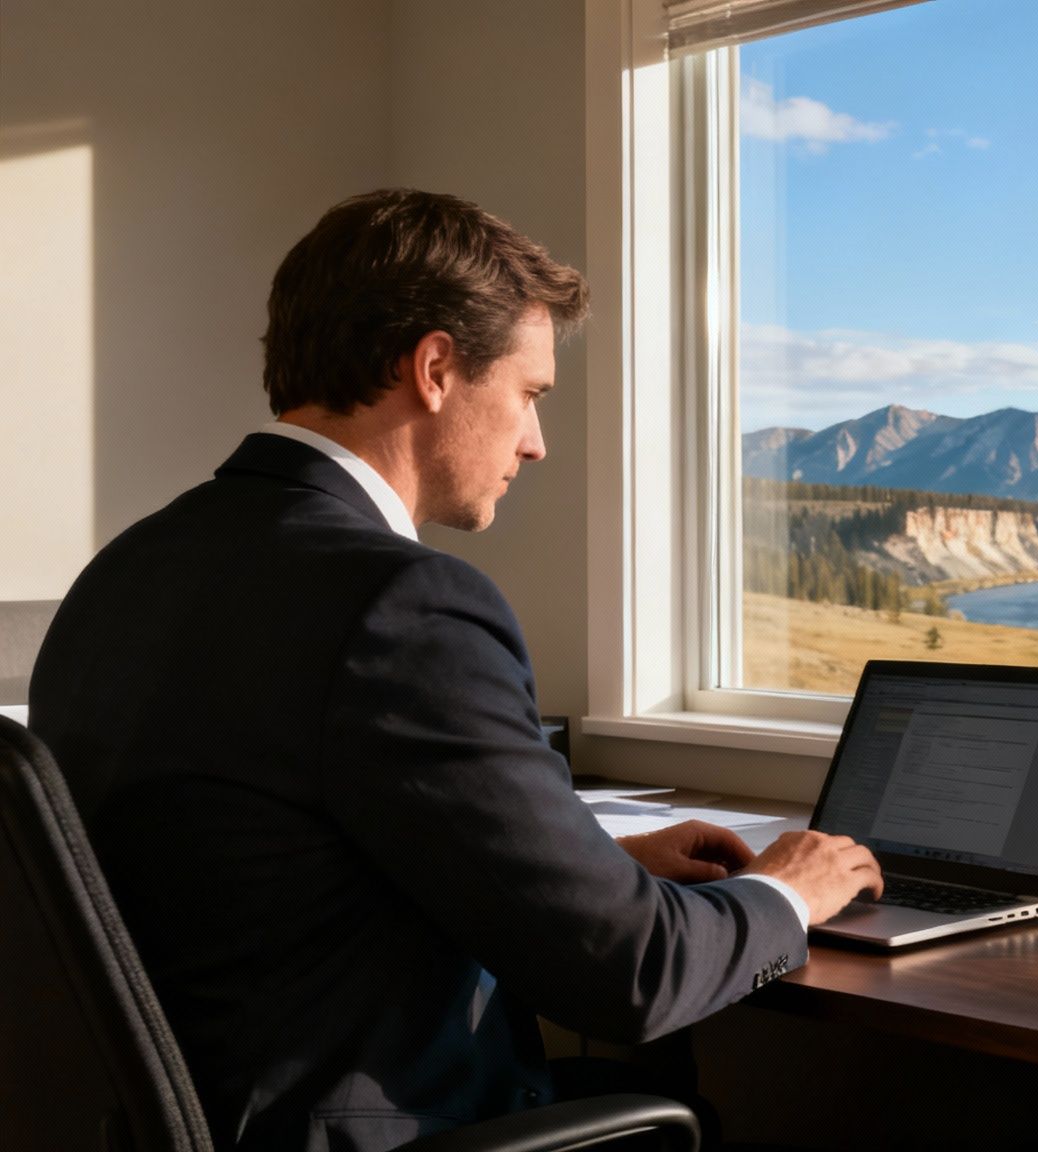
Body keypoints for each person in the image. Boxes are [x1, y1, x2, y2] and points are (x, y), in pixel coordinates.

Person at [29, 189, 882, 1152]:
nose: (536, 441)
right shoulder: (404, 605)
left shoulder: (130, 569)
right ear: (435, 369)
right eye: (530, 395)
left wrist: (586, 865)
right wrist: (789, 892)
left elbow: (257, 858)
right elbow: (635, 976)